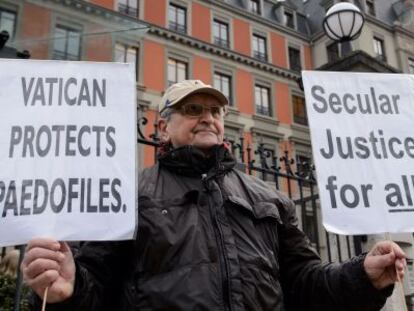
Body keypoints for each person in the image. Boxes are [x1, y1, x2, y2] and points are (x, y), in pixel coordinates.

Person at [22, 80, 406, 310]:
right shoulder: (128, 193)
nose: (207, 117)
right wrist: (69, 291)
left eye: (215, 110)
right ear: (163, 126)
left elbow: (306, 284)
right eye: (192, 109)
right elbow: (97, 289)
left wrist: (362, 275)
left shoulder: (268, 197)